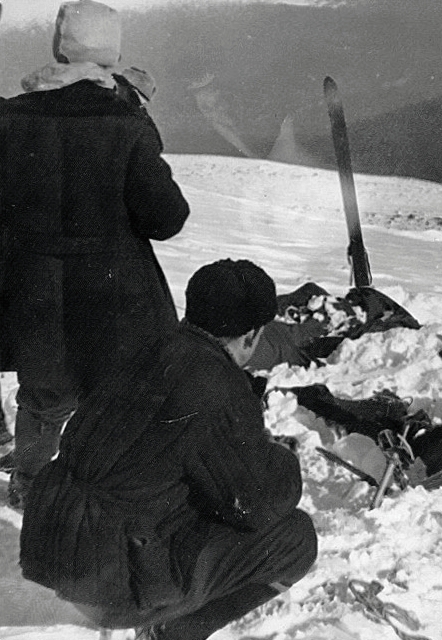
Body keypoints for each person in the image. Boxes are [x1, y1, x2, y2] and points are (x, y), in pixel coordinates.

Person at [19, 259, 318, 640]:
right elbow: (256, 505)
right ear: (251, 336)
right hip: (109, 585)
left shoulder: (144, 348)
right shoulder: (216, 383)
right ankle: (174, 633)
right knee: (295, 539)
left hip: (51, 547)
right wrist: (282, 458)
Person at [0, 0, 190, 508]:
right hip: (114, 292)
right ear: (114, 53)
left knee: (42, 396)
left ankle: (31, 487)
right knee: (115, 397)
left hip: (33, 288)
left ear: (57, 47)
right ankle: (106, 492)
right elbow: (167, 219)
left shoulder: (8, 118)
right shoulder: (125, 120)